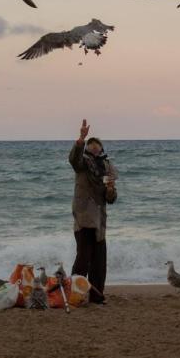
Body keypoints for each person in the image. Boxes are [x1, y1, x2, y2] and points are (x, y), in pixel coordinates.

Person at [69, 118, 117, 304]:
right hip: (83, 217)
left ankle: (97, 297)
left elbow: (111, 199)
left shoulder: (106, 168)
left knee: (99, 262)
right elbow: (74, 158)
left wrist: (111, 190)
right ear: (87, 149)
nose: (95, 150)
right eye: (92, 147)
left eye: (98, 147)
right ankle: (74, 293)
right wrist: (81, 138)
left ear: (102, 149)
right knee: (83, 259)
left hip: (99, 221)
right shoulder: (82, 165)